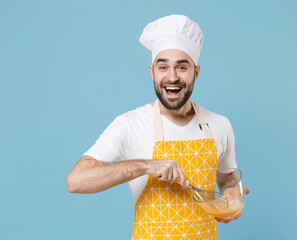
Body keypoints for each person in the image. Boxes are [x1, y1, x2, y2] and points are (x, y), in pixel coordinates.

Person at [67, 14, 249, 240]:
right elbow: (76, 180)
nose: (172, 77)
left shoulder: (221, 125)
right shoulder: (130, 124)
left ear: (196, 72)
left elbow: (227, 179)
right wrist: (145, 166)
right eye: (163, 67)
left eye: (182, 67)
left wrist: (232, 197)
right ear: (152, 72)